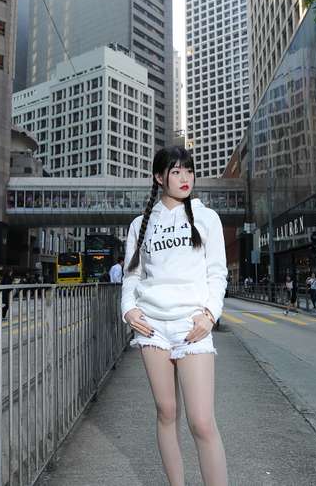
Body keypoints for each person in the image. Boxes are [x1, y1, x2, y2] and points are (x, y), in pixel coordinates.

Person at [121, 146, 228, 486]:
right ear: (159, 177)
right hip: (152, 327)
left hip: (192, 326)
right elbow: (132, 275)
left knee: (201, 422)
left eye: (189, 171)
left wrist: (209, 315)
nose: (185, 178)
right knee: (166, 413)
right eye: (176, 171)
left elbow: (217, 273)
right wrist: (128, 309)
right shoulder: (140, 224)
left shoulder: (207, 217)